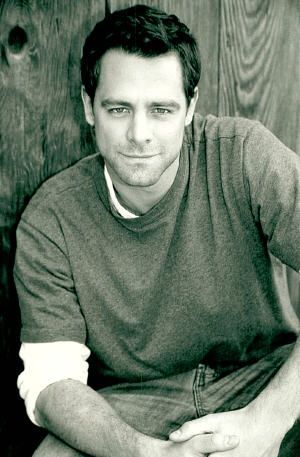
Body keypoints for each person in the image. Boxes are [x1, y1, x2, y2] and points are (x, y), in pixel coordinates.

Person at [14, 4, 300, 457]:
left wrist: (265, 424)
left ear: (191, 108)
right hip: (140, 401)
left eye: (161, 109)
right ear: (90, 107)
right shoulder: (52, 219)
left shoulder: (243, 156)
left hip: (264, 375)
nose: (139, 133)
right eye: (119, 108)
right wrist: (153, 454)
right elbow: (52, 383)